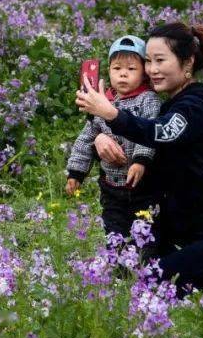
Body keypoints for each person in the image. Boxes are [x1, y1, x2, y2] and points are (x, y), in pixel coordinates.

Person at [75, 22, 203, 296]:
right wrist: (99, 139)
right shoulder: (168, 107)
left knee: (151, 283)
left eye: (160, 60)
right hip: (192, 234)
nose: (152, 69)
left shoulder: (197, 105)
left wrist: (111, 114)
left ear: (187, 63)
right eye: (148, 61)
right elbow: (137, 145)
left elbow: (159, 133)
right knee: (130, 269)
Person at [65, 35, 164, 244]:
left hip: (143, 186)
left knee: (146, 232)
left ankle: (145, 268)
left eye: (131, 69)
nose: (123, 74)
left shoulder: (148, 99)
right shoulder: (102, 102)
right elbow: (85, 140)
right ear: (108, 71)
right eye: (117, 68)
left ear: (144, 73)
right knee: (113, 230)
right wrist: (75, 173)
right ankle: (117, 272)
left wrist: (140, 161)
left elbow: (150, 130)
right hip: (111, 187)